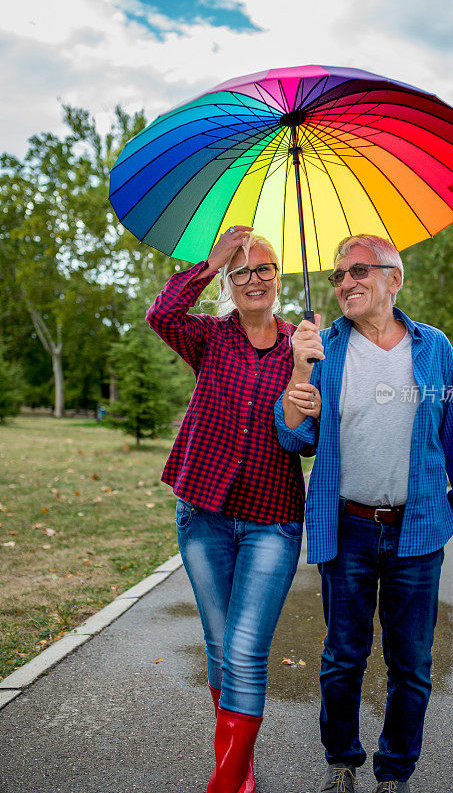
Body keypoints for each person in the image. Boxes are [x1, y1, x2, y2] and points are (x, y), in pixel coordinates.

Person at [274, 234, 453, 793]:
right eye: (338, 275)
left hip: (418, 527)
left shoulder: (433, 348)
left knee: (411, 668)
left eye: (357, 272)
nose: (345, 283)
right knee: (342, 659)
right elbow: (293, 439)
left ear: (393, 279)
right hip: (346, 527)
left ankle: (394, 772)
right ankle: (342, 761)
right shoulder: (320, 347)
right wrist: (300, 376)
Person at [146, 226, 320, 793]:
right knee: (221, 649)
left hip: (271, 518)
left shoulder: (304, 344)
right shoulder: (209, 339)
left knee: (245, 651)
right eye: (240, 271)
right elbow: (162, 315)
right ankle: (240, 773)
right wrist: (213, 256)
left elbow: (306, 442)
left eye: (262, 268)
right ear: (229, 281)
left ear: (278, 278)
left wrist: (304, 373)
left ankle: (222, 785)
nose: (252, 278)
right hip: (204, 516)